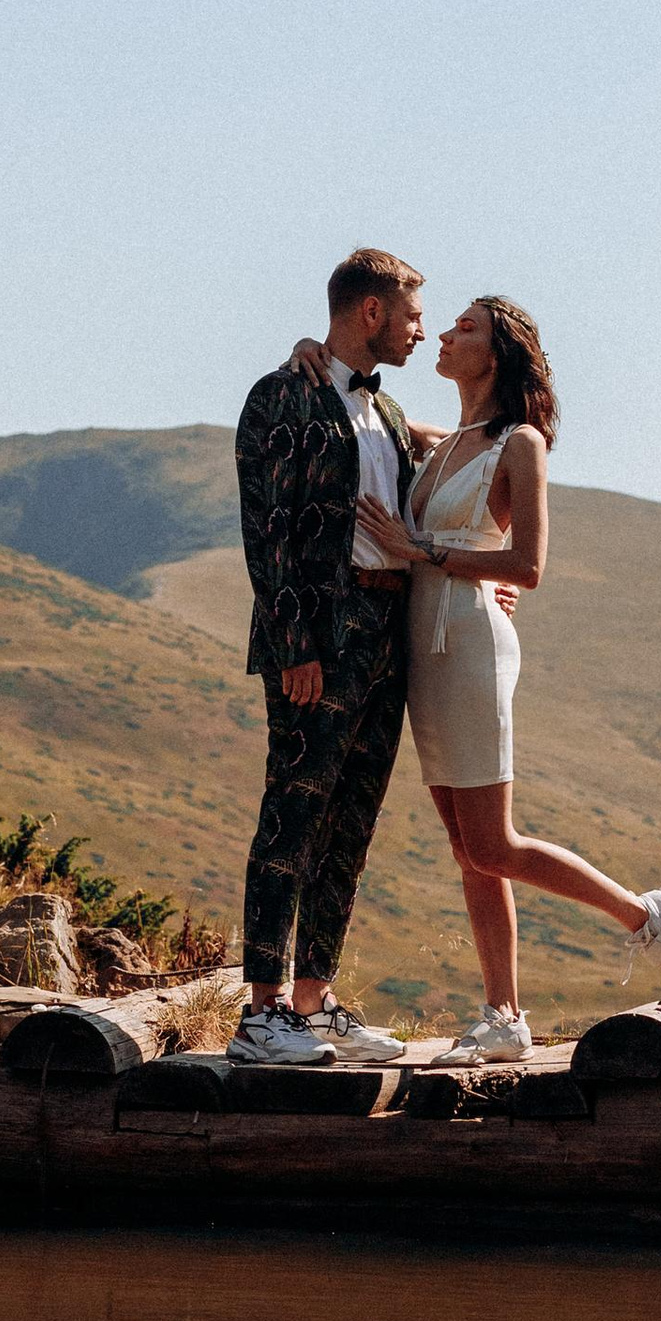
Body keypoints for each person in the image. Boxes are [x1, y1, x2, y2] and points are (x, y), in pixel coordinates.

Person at [320, 295, 661, 1063]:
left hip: (469, 639)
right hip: (422, 649)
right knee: (468, 850)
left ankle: (643, 915)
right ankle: (505, 1018)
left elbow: (528, 565)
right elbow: (362, 403)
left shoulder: (520, 444)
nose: (445, 335)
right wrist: (311, 352)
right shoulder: (448, 438)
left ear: (495, 354)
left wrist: (421, 550)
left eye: (464, 329)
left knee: (493, 842)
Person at [230, 248, 429, 1068]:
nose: (420, 330)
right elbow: (265, 530)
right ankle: (261, 1015)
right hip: (320, 635)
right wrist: (293, 645)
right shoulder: (282, 394)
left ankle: (315, 1001)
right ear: (371, 313)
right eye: (413, 315)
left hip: (388, 634)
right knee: (293, 814)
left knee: (352, 821)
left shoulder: (386, 414)